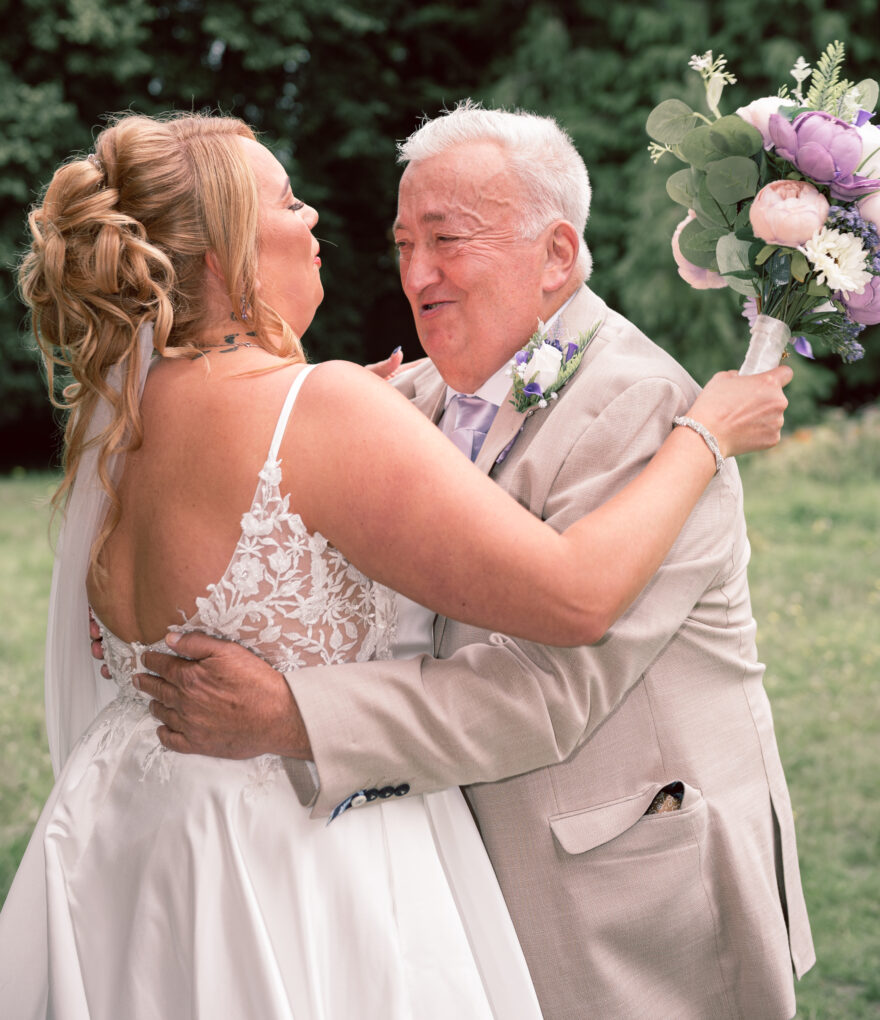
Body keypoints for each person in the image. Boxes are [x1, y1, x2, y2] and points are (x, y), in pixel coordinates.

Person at [0, 110, 787, 1019]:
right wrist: (708, 434)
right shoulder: (320, 412)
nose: (317, 221)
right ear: (222, 257)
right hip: (300, 871)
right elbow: (576, 597)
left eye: (445, 239)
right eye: (289, 203)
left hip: (136, 841)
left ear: (557, 254)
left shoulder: (126, 423)